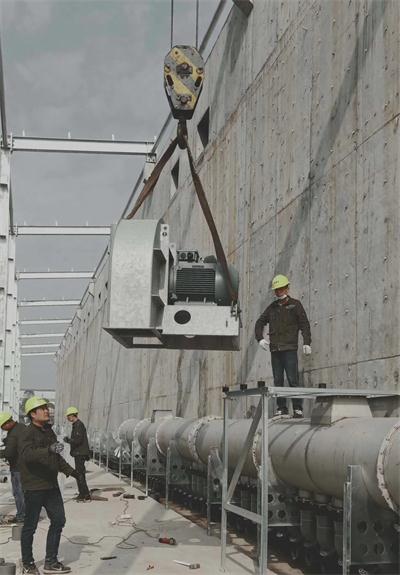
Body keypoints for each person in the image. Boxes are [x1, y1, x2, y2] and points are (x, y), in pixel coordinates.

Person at [19, 396, 81, 575]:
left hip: (51, 485)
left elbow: (55, 457)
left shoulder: (48, 431)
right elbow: (27, 455)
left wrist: (72, 472)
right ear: (33, 414)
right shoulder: (27, 433)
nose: (47, 410)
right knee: (30, 526)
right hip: (34, 487)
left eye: (47, 407)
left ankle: (51, 561)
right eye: (43, 408)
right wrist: (48, 449)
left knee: (59, 520)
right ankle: (28, 563)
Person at [255, 274, 311, 418]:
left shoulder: (295, 305)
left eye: (281, 288)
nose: (278, 291)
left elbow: (304, 324)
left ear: (287, 288)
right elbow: (260, 322)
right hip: (275, 350)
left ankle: (297, 408)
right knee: (278, 380)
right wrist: (260, 338)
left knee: (293, 379)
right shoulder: (272, 308)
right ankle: (281, 408)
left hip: (289, 348)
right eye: (276, 289)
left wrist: (307, 342)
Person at [0, 412, 26, 522]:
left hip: (18, 467)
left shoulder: (13, 434)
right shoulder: (21, 427)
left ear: (7, 423)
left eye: (2, 427)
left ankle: (22, 516)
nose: (2, 429)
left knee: (18, 492)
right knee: (23, 492)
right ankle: (26, 514)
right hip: (25, 465)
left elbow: (9, 453)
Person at [63, 407, 91, 502]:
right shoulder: (76, 425)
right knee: (80, 473)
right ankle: (83, 493)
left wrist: (68, 440)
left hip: (80, 453)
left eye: (68, 416)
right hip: (79, 453)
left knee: (80, 474)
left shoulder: (79, 425)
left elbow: (78, 440)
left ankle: (84, 494)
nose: (67, 418)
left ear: (72, 415)